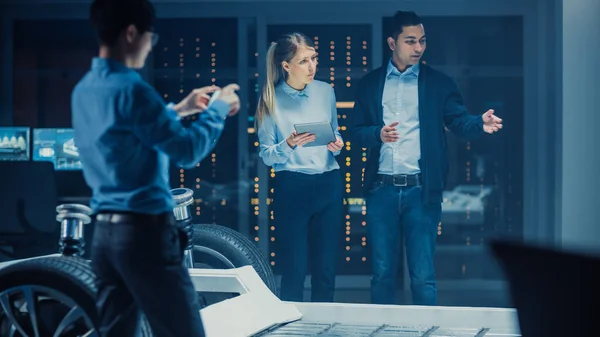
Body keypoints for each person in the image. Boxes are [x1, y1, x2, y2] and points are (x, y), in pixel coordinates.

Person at [71, 0, 240, 336]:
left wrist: (179, 109)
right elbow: (187, 151)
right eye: (151, 37)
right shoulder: (133, 89)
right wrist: (217, 111)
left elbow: (125, 133)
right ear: (132, 33)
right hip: (144, 235)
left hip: (104, 236)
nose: (150, 46)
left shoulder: (84, 90)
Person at [349, 10, 502, 306]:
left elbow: (458, 121)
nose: (418, 47)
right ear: (392, 43)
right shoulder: (370, 84)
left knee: (423, 275)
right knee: (381, 273)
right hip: (381, 190)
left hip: (421, 192)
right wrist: (377, 134)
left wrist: (479, 123)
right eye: (411, 41)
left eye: (422, 41)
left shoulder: (439, 84)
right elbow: (356, 131)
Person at [255, 32, 344, 303]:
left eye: (314, 58)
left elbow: (336, 132)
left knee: (326, 270)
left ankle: (324, 329)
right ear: (286, 66)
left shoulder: (325, 91)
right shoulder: (271, 100)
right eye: (304, 61)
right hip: (292, 188)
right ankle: (293, 329)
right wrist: (289, 144)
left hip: (328, 184)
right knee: (294, 270)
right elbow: (267, 156)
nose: (312, 66)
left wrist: (338, 143)